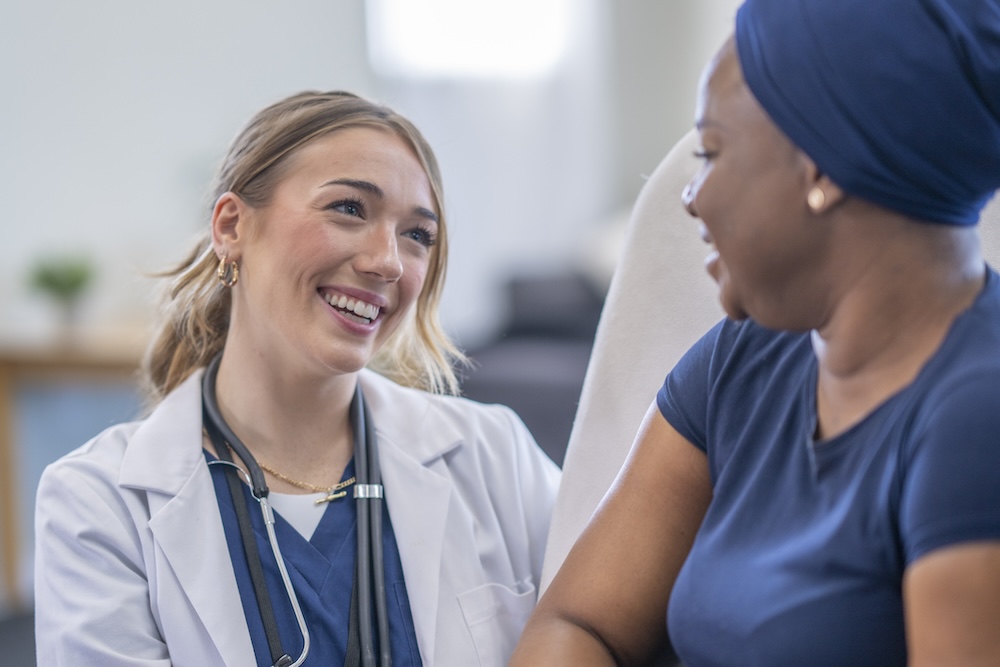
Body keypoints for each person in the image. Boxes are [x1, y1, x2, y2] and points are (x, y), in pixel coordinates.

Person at [511, 0, 1000, 665]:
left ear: (822, 168)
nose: (690, 196)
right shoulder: (745, 355)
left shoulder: (974, 416)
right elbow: (577, 622)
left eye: (711, 151)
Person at [34, 90, 560, 666]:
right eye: (349, 209)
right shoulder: (99, 505)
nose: (387, 261)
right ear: (231, 226)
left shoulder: (493, 456)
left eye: (417, 235)